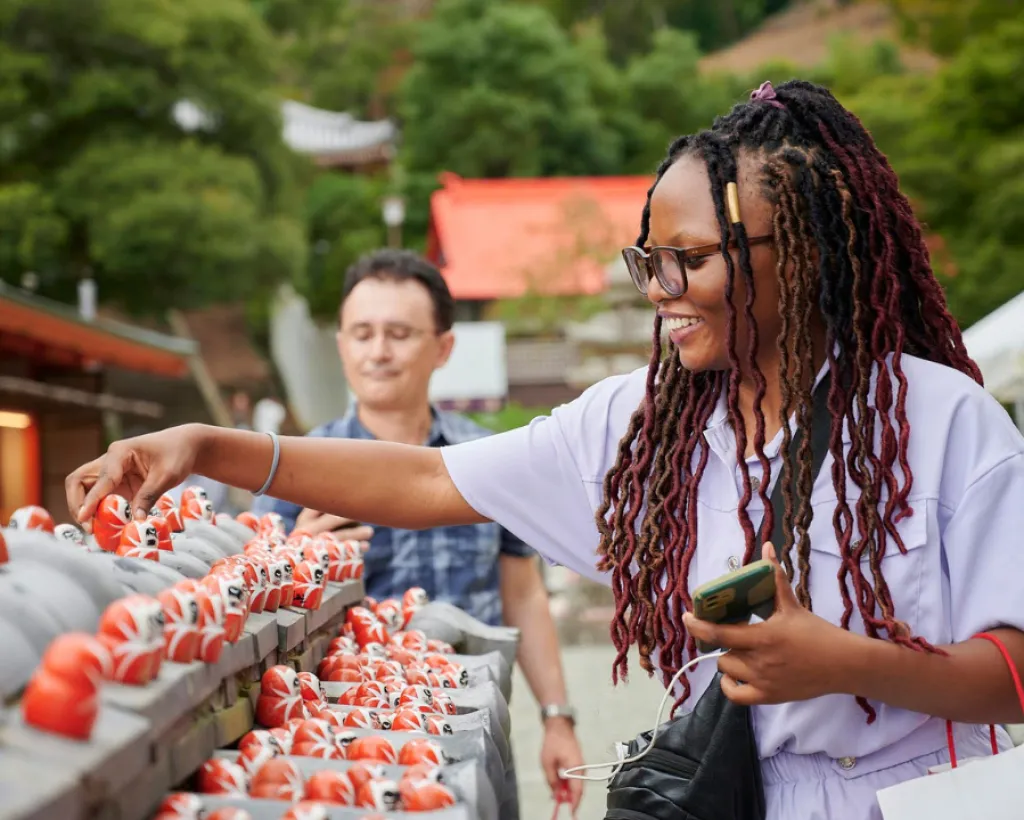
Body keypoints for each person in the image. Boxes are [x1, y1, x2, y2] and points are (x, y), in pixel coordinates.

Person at [66, 80, 1024, 820]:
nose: (660, 288)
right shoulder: (640, 425)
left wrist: (848, 663)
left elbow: (1016, 672)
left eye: (690, 258)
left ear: (805, 250)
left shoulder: (945, 423)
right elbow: (431, 476)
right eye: (648, 259)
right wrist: (206, 446)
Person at [251, 248, 585, 808]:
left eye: (399, 333)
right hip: (350, 745)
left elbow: (522, 592)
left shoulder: (488, 457)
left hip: (473, 724)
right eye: (362, 334)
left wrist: (557, 717)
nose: (378, 351)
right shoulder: (296, 470)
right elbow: (253, 617)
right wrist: (294, 560)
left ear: (443, 347)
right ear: (341, 345)